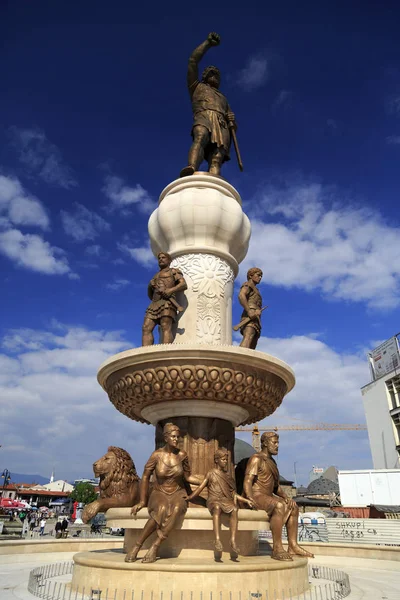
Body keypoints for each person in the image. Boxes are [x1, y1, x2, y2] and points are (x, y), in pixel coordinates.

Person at [125, 423, 201, 563]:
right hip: (159, 491)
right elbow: (146, 476)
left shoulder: (182, 455)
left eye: (178, 437)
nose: (176, 440)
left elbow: (188, 477)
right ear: (166, 438)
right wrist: (142, 501)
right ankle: (137, 546)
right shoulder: (156, 455)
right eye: (173, 437)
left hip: (178, 491)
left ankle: (155, 545)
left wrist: (206, 480)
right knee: (161, 509)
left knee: (177, 509)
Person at [243, 432, 314, 561]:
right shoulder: (256, 459)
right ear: (264, 443)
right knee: (279, 505)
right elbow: (248, 480)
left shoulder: (272, 462)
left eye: (278, 443)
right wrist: (249, 497)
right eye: (274, 443)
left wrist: (286, 497)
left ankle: (292, 545)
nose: (277, 446)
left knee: (293, 507)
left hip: (268, 496)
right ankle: (277, 548)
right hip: (257, 496)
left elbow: (276, 487)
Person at [181, 32, 237, 177]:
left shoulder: (223, 98)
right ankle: (191, 167)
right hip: (204, 115)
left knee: (217, 156)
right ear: (205, 76)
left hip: (221, 123)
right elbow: (192, 61)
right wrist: (207, 43)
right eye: (212, 74)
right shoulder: (196, 87)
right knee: (201, 136)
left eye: (218, 76)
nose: (215, 77)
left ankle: (214, 178)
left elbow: (233, 126)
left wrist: (232, 121)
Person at [187, 448, 256, 554]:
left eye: (226, 460)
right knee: (217, 508)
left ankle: (233, 540)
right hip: (213, 500)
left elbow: (234, 494)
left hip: (226, 500)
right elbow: (201, 487)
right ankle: (217, 539)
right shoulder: (211, 473)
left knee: (235, 509)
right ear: (217, 460)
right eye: (223, 459)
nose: (225, 462)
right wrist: (190, 497)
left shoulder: (228, 477)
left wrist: (246, 501)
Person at [142, 252, 187, 346]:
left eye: (163, 257)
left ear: (169, 260)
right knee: (146, 327)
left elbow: (183, 284)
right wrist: (150, 286)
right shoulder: (155, 275)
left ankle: (165, 351)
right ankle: (146, 354)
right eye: (159, 258)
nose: (161, 259)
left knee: (165, 326)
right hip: (154, 303)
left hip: (168, 303)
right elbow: (150, 295)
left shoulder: (173, 271)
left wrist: (170, 290)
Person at [238, 268, 263, 350]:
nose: (260, 277)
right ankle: (239, 359)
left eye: (261, 276)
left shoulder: (256, 290)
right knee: (248, 336)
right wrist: (249, 310)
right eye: (258, 275)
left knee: (253, 340)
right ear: (250, 275)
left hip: (256, 317)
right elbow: (241, 296)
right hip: (249, 315)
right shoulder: (248, 284)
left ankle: (246, 362)